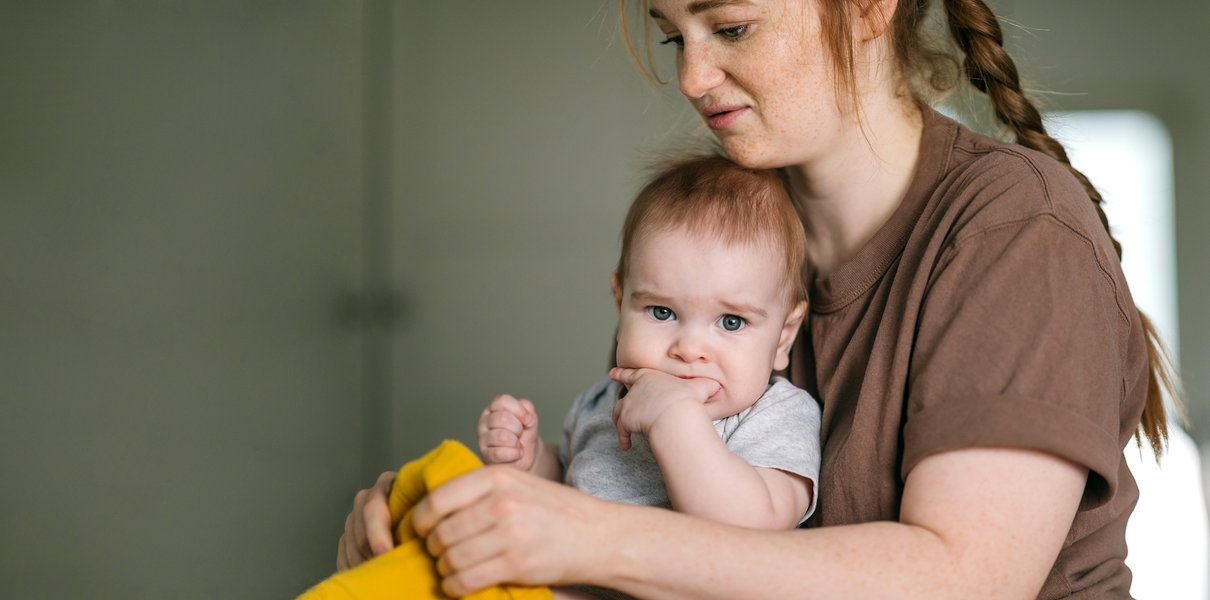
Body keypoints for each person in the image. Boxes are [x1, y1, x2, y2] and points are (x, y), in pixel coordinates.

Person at [336, 0, 1181, 597]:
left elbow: (963, 580)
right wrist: (453, 535)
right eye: (675, 37)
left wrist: (577, 536)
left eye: (731, 25)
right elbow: (652, 530)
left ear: (866, 8)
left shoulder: (1013, 233)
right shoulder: (715, 253)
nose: (695, 77)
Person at [477, 154, 820, 533]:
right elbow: (571, 482)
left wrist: (674, 418)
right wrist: (531, 460)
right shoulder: (603, 400)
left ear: (782, 338)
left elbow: (756, 525)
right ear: (619, 303)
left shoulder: (777, 416)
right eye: (661, 312)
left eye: (731, 321)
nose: (689, 350)